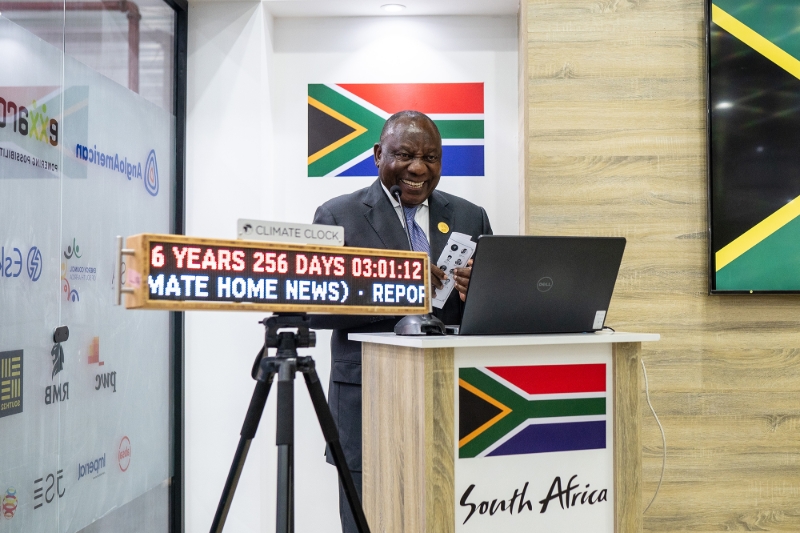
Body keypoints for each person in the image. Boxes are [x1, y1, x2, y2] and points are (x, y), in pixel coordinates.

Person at [310, 110, 492, 533]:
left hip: (454, 397)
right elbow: (316, 307)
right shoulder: (338, 216)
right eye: (405, 154)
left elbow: (483, 316)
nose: (418, 168)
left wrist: (478, 291)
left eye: (431, 158)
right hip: (368, 398)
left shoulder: (470, 216)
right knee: (368, 520)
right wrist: (393, 281)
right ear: (377, 155)